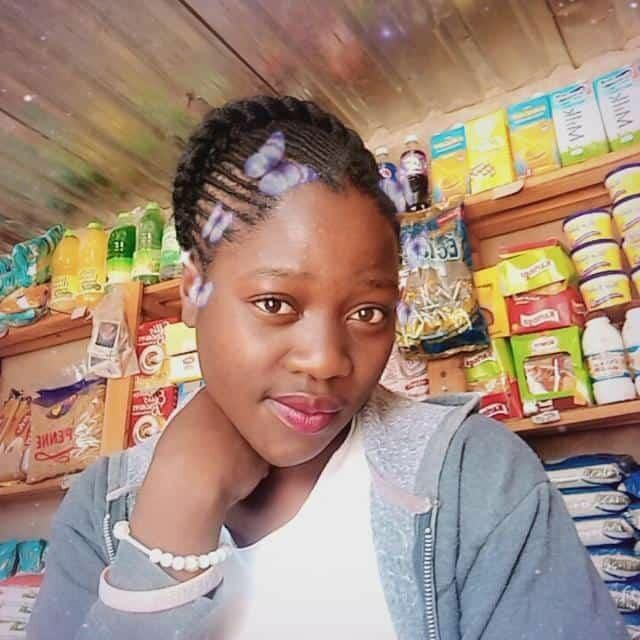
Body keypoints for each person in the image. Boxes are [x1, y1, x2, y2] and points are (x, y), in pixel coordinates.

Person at [27, 96, 625, 640]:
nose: (327, 361)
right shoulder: (102, 508)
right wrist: (172, 520)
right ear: (192, 290)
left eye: (368, 312)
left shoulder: (477, 480)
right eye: (275, 304)